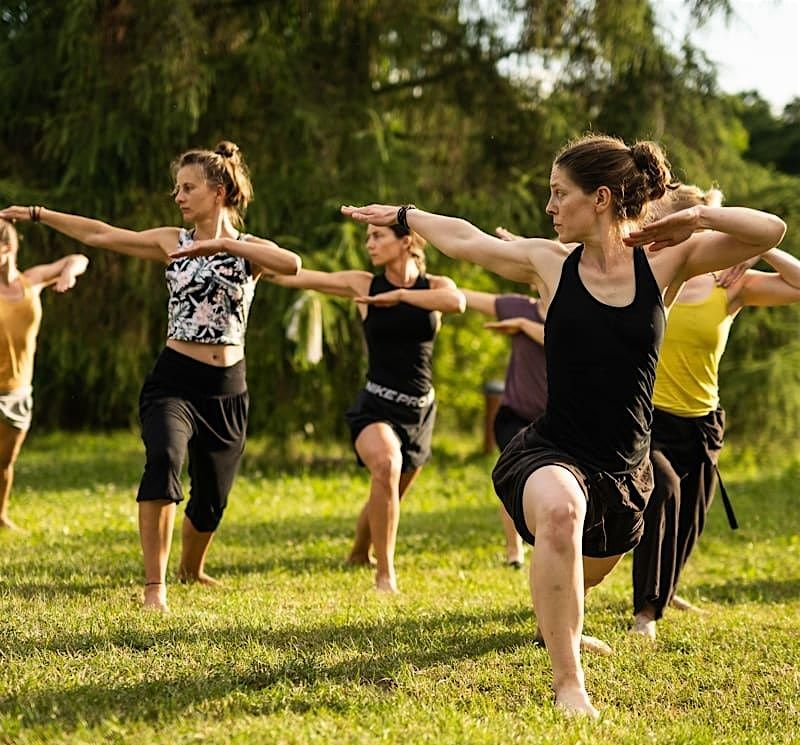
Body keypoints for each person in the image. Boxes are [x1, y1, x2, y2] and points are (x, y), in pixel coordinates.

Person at [342, 133, 786, 717]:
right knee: (559, 512)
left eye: (559, 194)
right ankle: (569, 683)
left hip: (625, 468)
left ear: (600, 198)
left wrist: (696, 216)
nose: (549, 208)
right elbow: (467, 241)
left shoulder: (668, 262)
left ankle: (561, 622)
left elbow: (769, 230)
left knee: (584, 572)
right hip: (555, 447)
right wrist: (406, 215)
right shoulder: (549, 261)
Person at [1, 141, 302, 612]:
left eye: (188, 188)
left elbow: (293, 265)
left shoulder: (250, 251)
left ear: (218, 192)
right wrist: (40, 213)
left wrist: (225, 243)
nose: (178, 196)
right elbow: (101, 235)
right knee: (163, 460)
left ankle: (191, 568)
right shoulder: (171, 241)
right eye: (176, 188)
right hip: (174, 380)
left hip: (227, 389)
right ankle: (154, 587)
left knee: (211, 502)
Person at [631, 184, 800, 639]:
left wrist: (759, 255)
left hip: (703, 419)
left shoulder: (730, 283)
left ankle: (665, 589)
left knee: (692, 518)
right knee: (662, 492)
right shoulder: (649, 273)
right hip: (650, 417)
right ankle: (646, 611)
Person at [264, 220, 464, 592]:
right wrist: (247, 258)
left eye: (378, 236)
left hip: (420, 410)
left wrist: (402, 297)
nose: (369, 244)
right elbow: (302, 277)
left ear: (406, 241)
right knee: (388, 465)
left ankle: (359, 551)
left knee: (391, 489)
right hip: (376, 405)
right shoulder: (364, 284)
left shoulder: (435, 286)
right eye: (367, 237)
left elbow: (458, 303)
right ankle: (385, 574)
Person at [462, 227, 548, 568]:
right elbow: (469, 298)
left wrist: (525, 328)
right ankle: (514, 551)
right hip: (515, 414)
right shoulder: (518, 306)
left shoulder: (573, 315)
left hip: (556, 418)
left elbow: (561, 339)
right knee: (512, 471)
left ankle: (549, 539)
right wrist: (429, 286)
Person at [0, 219, 88, 529]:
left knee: (5, 462)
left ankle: (0, 515)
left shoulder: (31, 281)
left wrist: (67, 273)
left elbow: (79, 258)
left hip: (18, 390)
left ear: (7, 249)